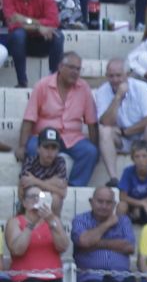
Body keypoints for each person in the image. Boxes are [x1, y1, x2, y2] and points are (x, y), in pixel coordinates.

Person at [17, 53, 97, 187]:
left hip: (73, 137)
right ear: (60, 67)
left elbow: (92, 122)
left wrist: (96, 146)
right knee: (31, 148)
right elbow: (29, 118)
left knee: (91, 152)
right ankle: (36, 187)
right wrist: (21, 146)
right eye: (71, 67)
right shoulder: (43, 85)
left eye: (78, 69)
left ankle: (73, 188)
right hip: (43, 135)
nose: (75, 72)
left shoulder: (84, 88)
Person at [93, 57, 147, 182]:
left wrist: (127, 131)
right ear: (106, 76)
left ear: (127, 75)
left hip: (141, 135)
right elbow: (105, 122)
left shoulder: (141, 87)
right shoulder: (102, 91)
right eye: (111, 76)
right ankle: (113, 178)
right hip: (120, 138)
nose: (115, 80)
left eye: (118, 75)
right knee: (104, 131)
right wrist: (118, 97)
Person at [71, 185, 137, 282]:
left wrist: (95, 243)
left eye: (108, 202)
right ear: (91, 202)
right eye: (100, 201)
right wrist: (107, 224)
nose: (104, 206)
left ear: (114, 204)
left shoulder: (123, 221)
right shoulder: (80, 220)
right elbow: (84, 241)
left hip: (122, 277)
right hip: (91, 278)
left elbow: (129, 246)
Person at [5, 183, 68, 282]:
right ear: (24, 202)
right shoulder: (15, 222)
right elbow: (17, 250)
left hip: (53, 276)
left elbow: (63, 246)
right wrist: (30, 225)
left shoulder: (53, 220)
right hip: (23, 278)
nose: (37, 200)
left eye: (40, 196)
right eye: (32, 196)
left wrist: (51, 221)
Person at [4, 0, 63, 89]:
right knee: (18, 35)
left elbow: (53, 22)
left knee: (58, 36)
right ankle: (22, 82)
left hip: (41, 41)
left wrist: (25, 20)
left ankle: (54, 80)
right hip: (18, 43)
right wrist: (38, 26)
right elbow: (12, 24)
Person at [19, 126, 68, 213]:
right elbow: (23, 188)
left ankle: (52, 224)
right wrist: (52, 183)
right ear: (38, 148)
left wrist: (35, 181)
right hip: (30, 201)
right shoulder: (30, 161)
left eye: (53, 148)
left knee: (56, 198)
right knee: (34, 193)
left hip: (51, 202)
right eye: (46, 147)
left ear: (58, 150)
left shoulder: (60, 162)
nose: (50, 152)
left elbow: (62, 192)